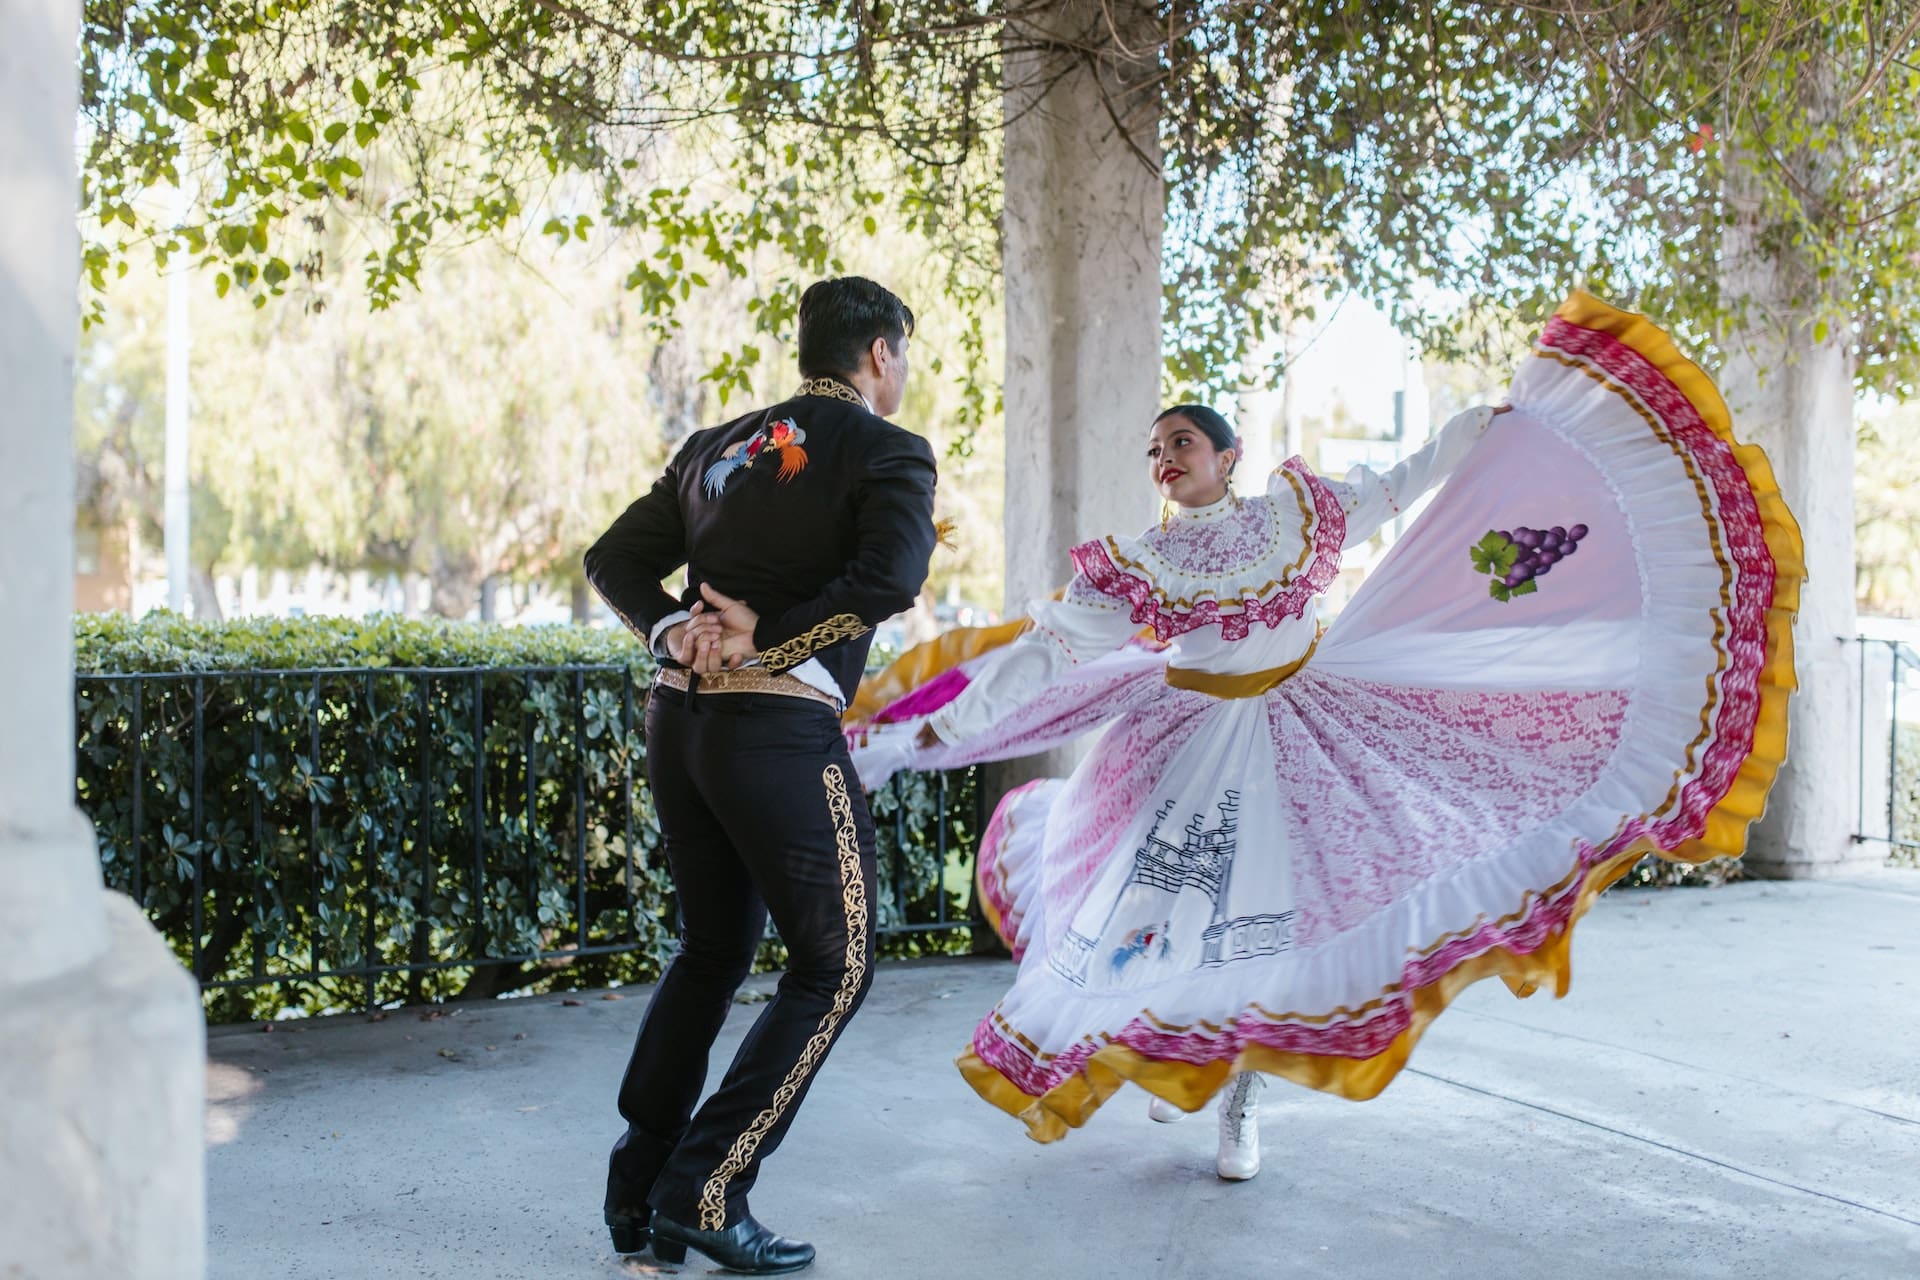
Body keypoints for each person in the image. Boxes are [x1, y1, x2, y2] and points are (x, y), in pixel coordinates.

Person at [850, 291, 1802, 1180]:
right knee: (1173, 927)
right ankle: (1184, 1069)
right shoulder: (1143, 561)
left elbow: (1399, 485)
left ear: (1227, 456)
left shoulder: (1293, 519)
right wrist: (934, 728)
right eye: (1155, 450)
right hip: (1179, 747)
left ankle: (1237, 1103)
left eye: (1182, 441)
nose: (1166, 458)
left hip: (1303, 737)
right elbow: (1052, 650)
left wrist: (1483, 429)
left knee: (1275, 929)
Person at [585, 276, 937, 1274]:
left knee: (710, 949)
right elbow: (892, 580)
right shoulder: (889, 447)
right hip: (776, 737)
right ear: (879, 354)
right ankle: (704, 1184)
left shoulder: (715, 448)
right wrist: (771, 647)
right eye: (902, 355)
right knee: (838, 961)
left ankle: (637, 1187)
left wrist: (670, 628)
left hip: (678, 727)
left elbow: (610, 557)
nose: (902, 372)